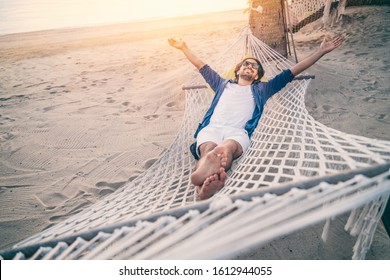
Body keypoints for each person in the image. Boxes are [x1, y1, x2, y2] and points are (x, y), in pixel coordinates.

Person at [168, 36, 343, 200]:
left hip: (237, 133)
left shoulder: (263, 89)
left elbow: (293, 71)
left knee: (226, 148)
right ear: (237, 70)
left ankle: (205, 176)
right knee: (208, 150)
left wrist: (321, 51)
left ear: (258, 76)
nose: (250, 67)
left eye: (254, 67)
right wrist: (183, 47)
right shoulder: (221, 84)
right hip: (212, 128)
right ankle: (203, 185)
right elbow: (201, 65)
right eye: (246, 64)